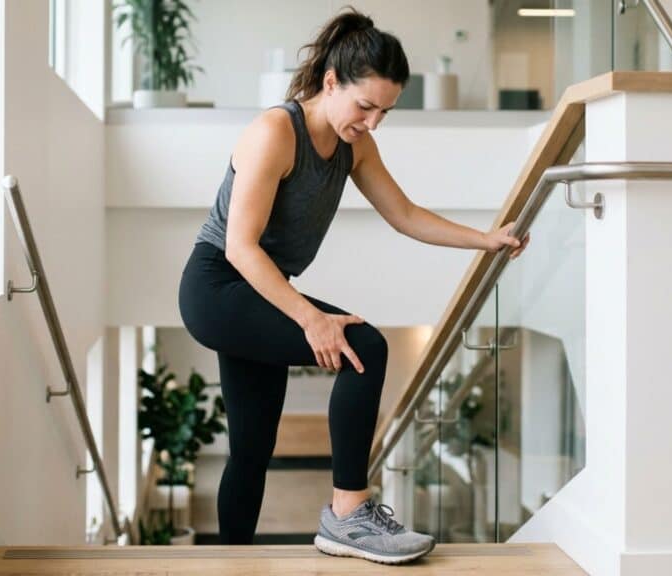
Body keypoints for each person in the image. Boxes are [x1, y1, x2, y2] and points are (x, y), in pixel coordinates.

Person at [177, 7, 529, 565]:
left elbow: (405, 214)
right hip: (219, 286)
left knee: (251, 447)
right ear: (332, 81)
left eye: (385, 111)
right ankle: (347, 514)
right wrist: (310, 318)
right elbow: (241, 248)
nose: (372, 122)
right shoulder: (275, 131)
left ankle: (229, 563)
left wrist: (485, 240)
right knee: (364, 345)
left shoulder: (354, 144)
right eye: (365, 106)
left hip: (259, 289)